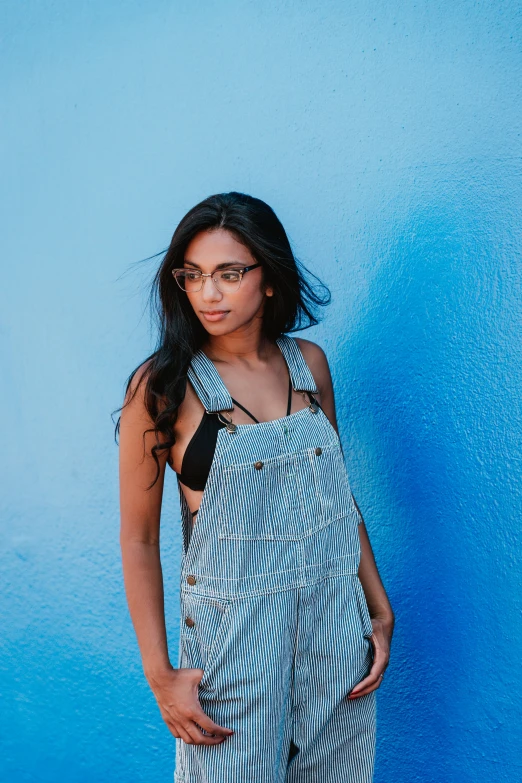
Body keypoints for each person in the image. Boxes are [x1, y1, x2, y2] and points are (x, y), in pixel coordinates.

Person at [117, 192, 394, 782]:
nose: (207, 293)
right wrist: (160, 674)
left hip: (333, 630)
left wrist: (377, 605)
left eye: (228, 273)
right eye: (192, 276)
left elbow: (338, 499)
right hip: (231, 647)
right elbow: (138, 540)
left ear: (269, 279)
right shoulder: (162, 387)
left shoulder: (310, 366)